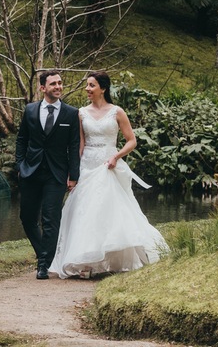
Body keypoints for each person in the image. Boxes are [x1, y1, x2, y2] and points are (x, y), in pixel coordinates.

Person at [49, 71, 168, 279]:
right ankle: (84, 263)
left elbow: (132, 141)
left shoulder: (117, 112)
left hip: (108, 164)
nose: (87, 89)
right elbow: (80, 145)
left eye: (91, 85)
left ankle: (111, 258)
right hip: (88, 166)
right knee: (84, 213)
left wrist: (116, 156)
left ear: (102, 88)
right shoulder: (81, 113)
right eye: (87, 85)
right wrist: (73, 171)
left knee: (109, 212)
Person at [15, 70, 81, 280]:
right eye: (53, 84)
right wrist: (20, 165)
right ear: (43, 88)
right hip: (31, 171)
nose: (58, 87)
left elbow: (73, 146)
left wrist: (74, 175)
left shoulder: (71, 113)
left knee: (50, 219)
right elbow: (21, 139)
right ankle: (43, 253)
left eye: (60, 83)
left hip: (56, 173)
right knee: (27, 217)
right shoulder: (30, 110)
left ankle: (43, 265)